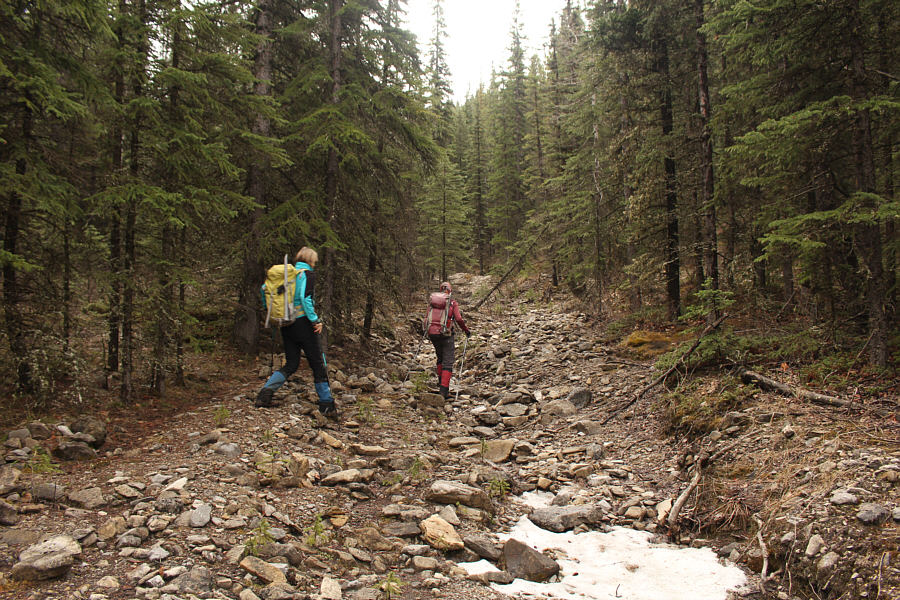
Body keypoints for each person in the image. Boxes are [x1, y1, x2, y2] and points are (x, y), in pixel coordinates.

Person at [256, 247, 338, 417]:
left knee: (291, 363)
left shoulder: (288, 274)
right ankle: (327, 404)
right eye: (315, 260)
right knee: (317, 363)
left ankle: (264, 395)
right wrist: (315, 320)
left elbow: (264, 289)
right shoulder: (306, 275)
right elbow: (305, 298)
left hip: (287, 323)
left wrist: (271, 311)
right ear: (311, 260)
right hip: (303, 324)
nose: (315, 263)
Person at [426, 281, 471, 399]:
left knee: (440, 358)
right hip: (446, 335)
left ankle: (440, 383)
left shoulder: (433, 302)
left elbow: (426, 318)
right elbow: (459, 319)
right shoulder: (452, 303)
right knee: (448, 361)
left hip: (433, 334)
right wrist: (466, 331)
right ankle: (444, 390)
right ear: (450, 291)